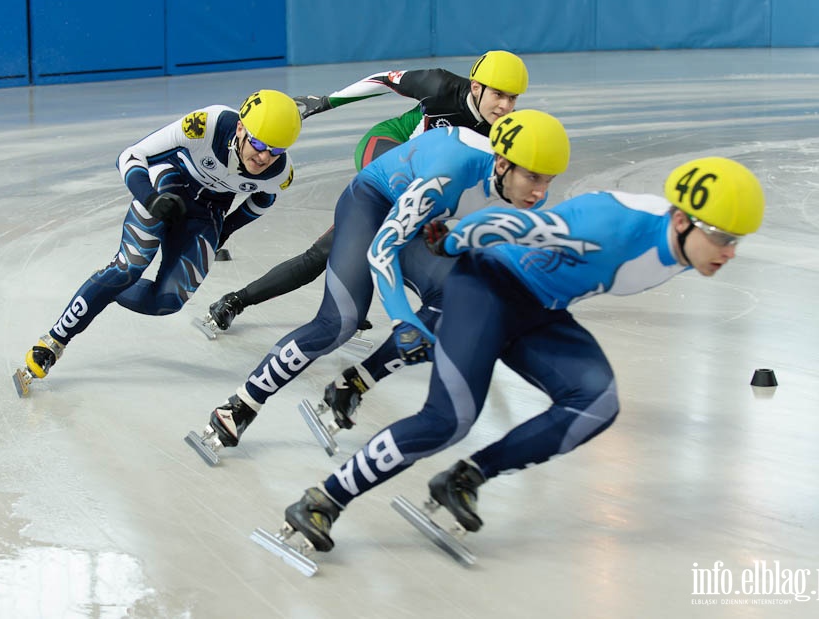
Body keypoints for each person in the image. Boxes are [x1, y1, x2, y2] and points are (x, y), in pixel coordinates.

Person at [272, 156, 766, 553]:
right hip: (486, 288)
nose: (730, 252)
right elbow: (515, 222)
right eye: (722, 238)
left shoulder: (686, 246)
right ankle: (322, 500)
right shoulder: (611, 227)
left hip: (540, 309)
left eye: (736, 240)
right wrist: (455, 240)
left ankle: (464, 478)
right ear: (681, 220)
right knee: (450, 419)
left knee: (595, 400)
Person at [190, 109, 570, 453]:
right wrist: (402, 316)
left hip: (419, 213)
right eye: (534, 178)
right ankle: (239, 406)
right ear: (502, 164)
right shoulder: (450, 173)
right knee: (339, 322)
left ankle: (352, 384)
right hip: (371, 202)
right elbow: (384, 247)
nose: (541, 193)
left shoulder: (515, 187)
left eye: (549, 180)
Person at [202, 50, 529, 334]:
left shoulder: (507, 132)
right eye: (498, 95)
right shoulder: (441, 85)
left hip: (421, 177)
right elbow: (384, 80)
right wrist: (327, 101)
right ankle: (341, 295)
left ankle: (237, 300)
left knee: (324, 253)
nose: (504, 106)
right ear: (475, 87)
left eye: (512, 98)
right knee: (401, 227)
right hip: (386, 146)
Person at [12, 90, 302, 397]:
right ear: (241, 128)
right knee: (130, 267)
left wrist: (224, 232)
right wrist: (150, 198)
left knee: (167, 301)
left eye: (276, 150)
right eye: (258, 144)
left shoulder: (280, 172)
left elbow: (262, 201)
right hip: (167, 188)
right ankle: (54, 341)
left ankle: (104, 289)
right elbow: (129, 155)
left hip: (207, 215)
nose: (264, 157)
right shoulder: (207, 125)